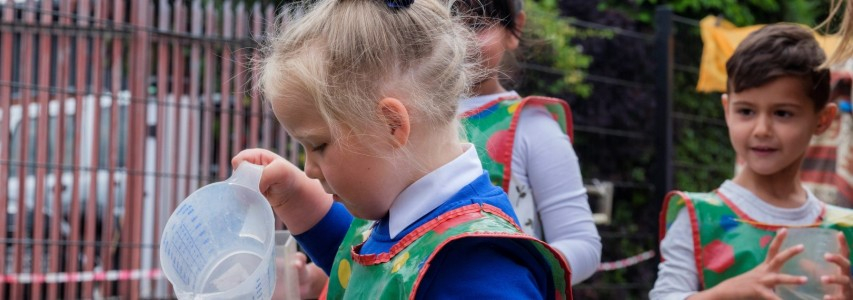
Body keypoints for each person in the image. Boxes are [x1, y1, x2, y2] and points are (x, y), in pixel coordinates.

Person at [235, 0, 573, 298]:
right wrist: (294, 196)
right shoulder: (405, 213)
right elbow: (367, 267)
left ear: (391, 125)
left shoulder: (473, 264)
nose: (310, 169)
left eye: (318, 145)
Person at [650, 24, 853, 300]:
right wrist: (725, 293)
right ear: (727, 110)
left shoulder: (843, 230)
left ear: (823, 120)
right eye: (746, 111)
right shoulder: (700, 217)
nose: (761, 130)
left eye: (782, 113)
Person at [453, 0, 601, 284]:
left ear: (514, 29)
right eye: (445, 22)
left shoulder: (532, 127)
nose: (459, 39)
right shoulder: (400, 117)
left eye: (476, 25)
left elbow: (583, 244)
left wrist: (514, 274)